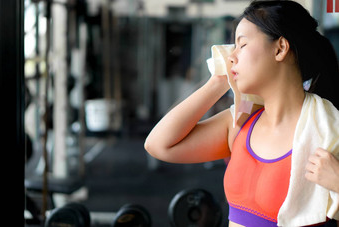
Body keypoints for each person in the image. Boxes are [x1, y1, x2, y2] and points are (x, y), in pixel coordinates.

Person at [144, 0, 339, 226]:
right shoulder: (240, 123)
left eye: (242, 45)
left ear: (280, 48)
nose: (231, 56)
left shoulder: (328, 132)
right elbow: (158, 145)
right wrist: (218, 81)